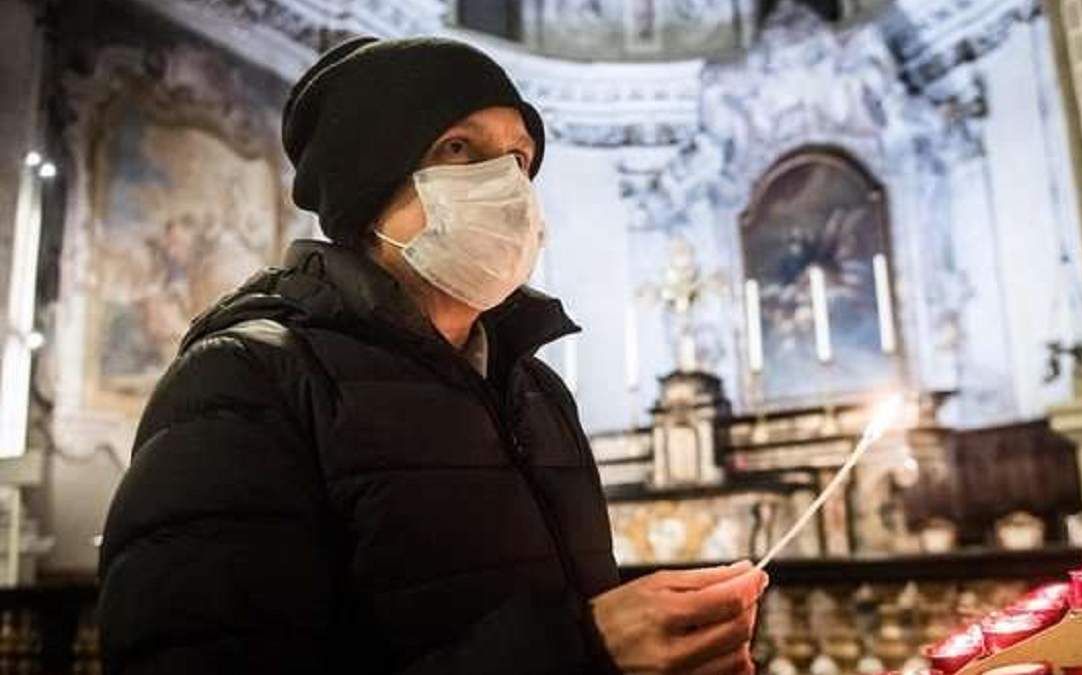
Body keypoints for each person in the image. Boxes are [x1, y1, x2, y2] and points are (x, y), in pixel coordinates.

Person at [97, 36, 768, 675]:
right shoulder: (245, 382)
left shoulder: (537, 392)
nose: (506, 185)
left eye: (519, 158)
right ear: (368, 184)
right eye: (459, 147)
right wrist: (586, 648)